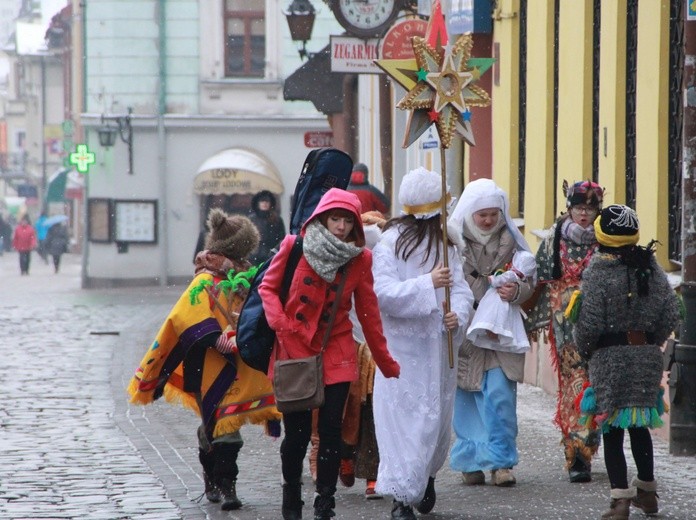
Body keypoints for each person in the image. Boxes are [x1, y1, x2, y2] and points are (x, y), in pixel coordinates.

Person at [259, 188, 400, 520]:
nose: (340, 227)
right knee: (296, 433)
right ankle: (291, 493)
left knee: (331, 429)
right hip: (294, 347)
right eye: (335, 219)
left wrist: (384, 360)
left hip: (336, 347)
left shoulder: (360, 258)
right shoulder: (295, 246)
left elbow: (368, 313)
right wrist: (280, 322)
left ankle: (325, 500)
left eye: (347, 222)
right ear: (322, 218)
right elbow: (267, 286)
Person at [128, 208, 282, 512]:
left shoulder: (247, 275)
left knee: (220, 425)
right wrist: (215, 337)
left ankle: (212, 462)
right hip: (212, 365)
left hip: (241, 361)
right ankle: (227, 486)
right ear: (239, 246)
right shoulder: (205, 280)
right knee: (225, 428)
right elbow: (186, 314)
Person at [372, 167, 474, 520]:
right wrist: (426, 284)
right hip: (402, 353)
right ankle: (401, 497)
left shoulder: (447, 245)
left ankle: (426, 476)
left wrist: (457, 315)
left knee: (434, 422)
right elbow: (383, 295)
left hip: (438, 349)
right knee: (404, 424)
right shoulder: (388, 244)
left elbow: (460, 290)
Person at [573, 204, 680, 519]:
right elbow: (670, 313)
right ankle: (647, 493)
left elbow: (588, 323)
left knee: (613, 429)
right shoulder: (652, 266)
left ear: (601, 235)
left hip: (609, 358)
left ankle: (620, 501)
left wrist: (586, 350)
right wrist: (650, 343)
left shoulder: (597, 272)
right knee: (640, 426)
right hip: (647, 357)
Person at [447, 178, 535, 488]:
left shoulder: (512, 240)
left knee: (499, 397)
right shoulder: (452, 243)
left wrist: (516, 291)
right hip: (465, 333)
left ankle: (501, 462)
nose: (487, 220)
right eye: (481, 214)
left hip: (501, 334)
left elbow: (530, 283)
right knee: (467, 399)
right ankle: (470, 461)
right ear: (469, 213)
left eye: (493, 214)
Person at [525, 180, 604, 483]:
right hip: (566, 328)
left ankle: (591, 444)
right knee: (574, 385)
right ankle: (576, 454)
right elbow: (540, 281)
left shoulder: (605, 239)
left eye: (590, 208)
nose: (584, 214)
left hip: (598, 325)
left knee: (595, 384)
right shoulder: (554, 239)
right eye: (579, 208)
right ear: (569, 208)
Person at [467, 249, 537, 354]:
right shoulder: (456, 243)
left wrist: (517, 291)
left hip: (505, 354)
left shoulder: (516, 247)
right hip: (468, 346)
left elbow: (531, 287)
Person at [248, 190, 286, 265]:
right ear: (257, 203)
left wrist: (275, 251)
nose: (265, 203)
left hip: (271, 256)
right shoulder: (251, 219)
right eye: (262, 201)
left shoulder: (277, 219)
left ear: (270, 204)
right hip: (254, 257)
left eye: (267, 201)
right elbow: (247, 238)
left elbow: (282, 238)